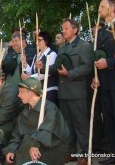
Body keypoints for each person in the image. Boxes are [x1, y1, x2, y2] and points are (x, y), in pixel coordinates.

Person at [38, 19, 93, 165]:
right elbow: (56, 67)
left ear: (75, 30)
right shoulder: (62, 48)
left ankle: (86, 155)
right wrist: (42, 68)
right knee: (68, 125)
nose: (63, 31)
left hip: (77, 91)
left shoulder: (84, 45)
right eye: (62, 28)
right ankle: (72, 152)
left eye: (66, 28)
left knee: (81, 124)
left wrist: (68, 73)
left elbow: (87, 67)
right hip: (64, 92)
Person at [3, 77, 69, 165]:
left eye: (21, 92)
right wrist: (11, 149)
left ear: (31, 92)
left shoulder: (50, 109)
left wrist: (36, 144)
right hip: (32, 144)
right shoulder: (25, 111)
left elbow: (48, 130)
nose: (18, 95)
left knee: (27, 152)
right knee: (11, 159)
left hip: (51, 147)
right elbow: (17, 134)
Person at [94, 0, 115, 165]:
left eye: (102, 6)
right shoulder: (101, 32)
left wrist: (112, 62)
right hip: (104, 82)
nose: (99, 9)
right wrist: (95, 76)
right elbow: (98, 56)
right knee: (109, 119)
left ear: (112, 9)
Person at [21, 31, 59, 106]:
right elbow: (32, 72)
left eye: (39, 40)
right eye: (36, 40)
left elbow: (48, 73)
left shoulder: (52, 54)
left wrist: (30, 78)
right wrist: (24, 63)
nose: (37, 42)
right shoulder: (37, 56)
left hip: (49, 90)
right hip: (39, 90)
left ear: (46, 41)